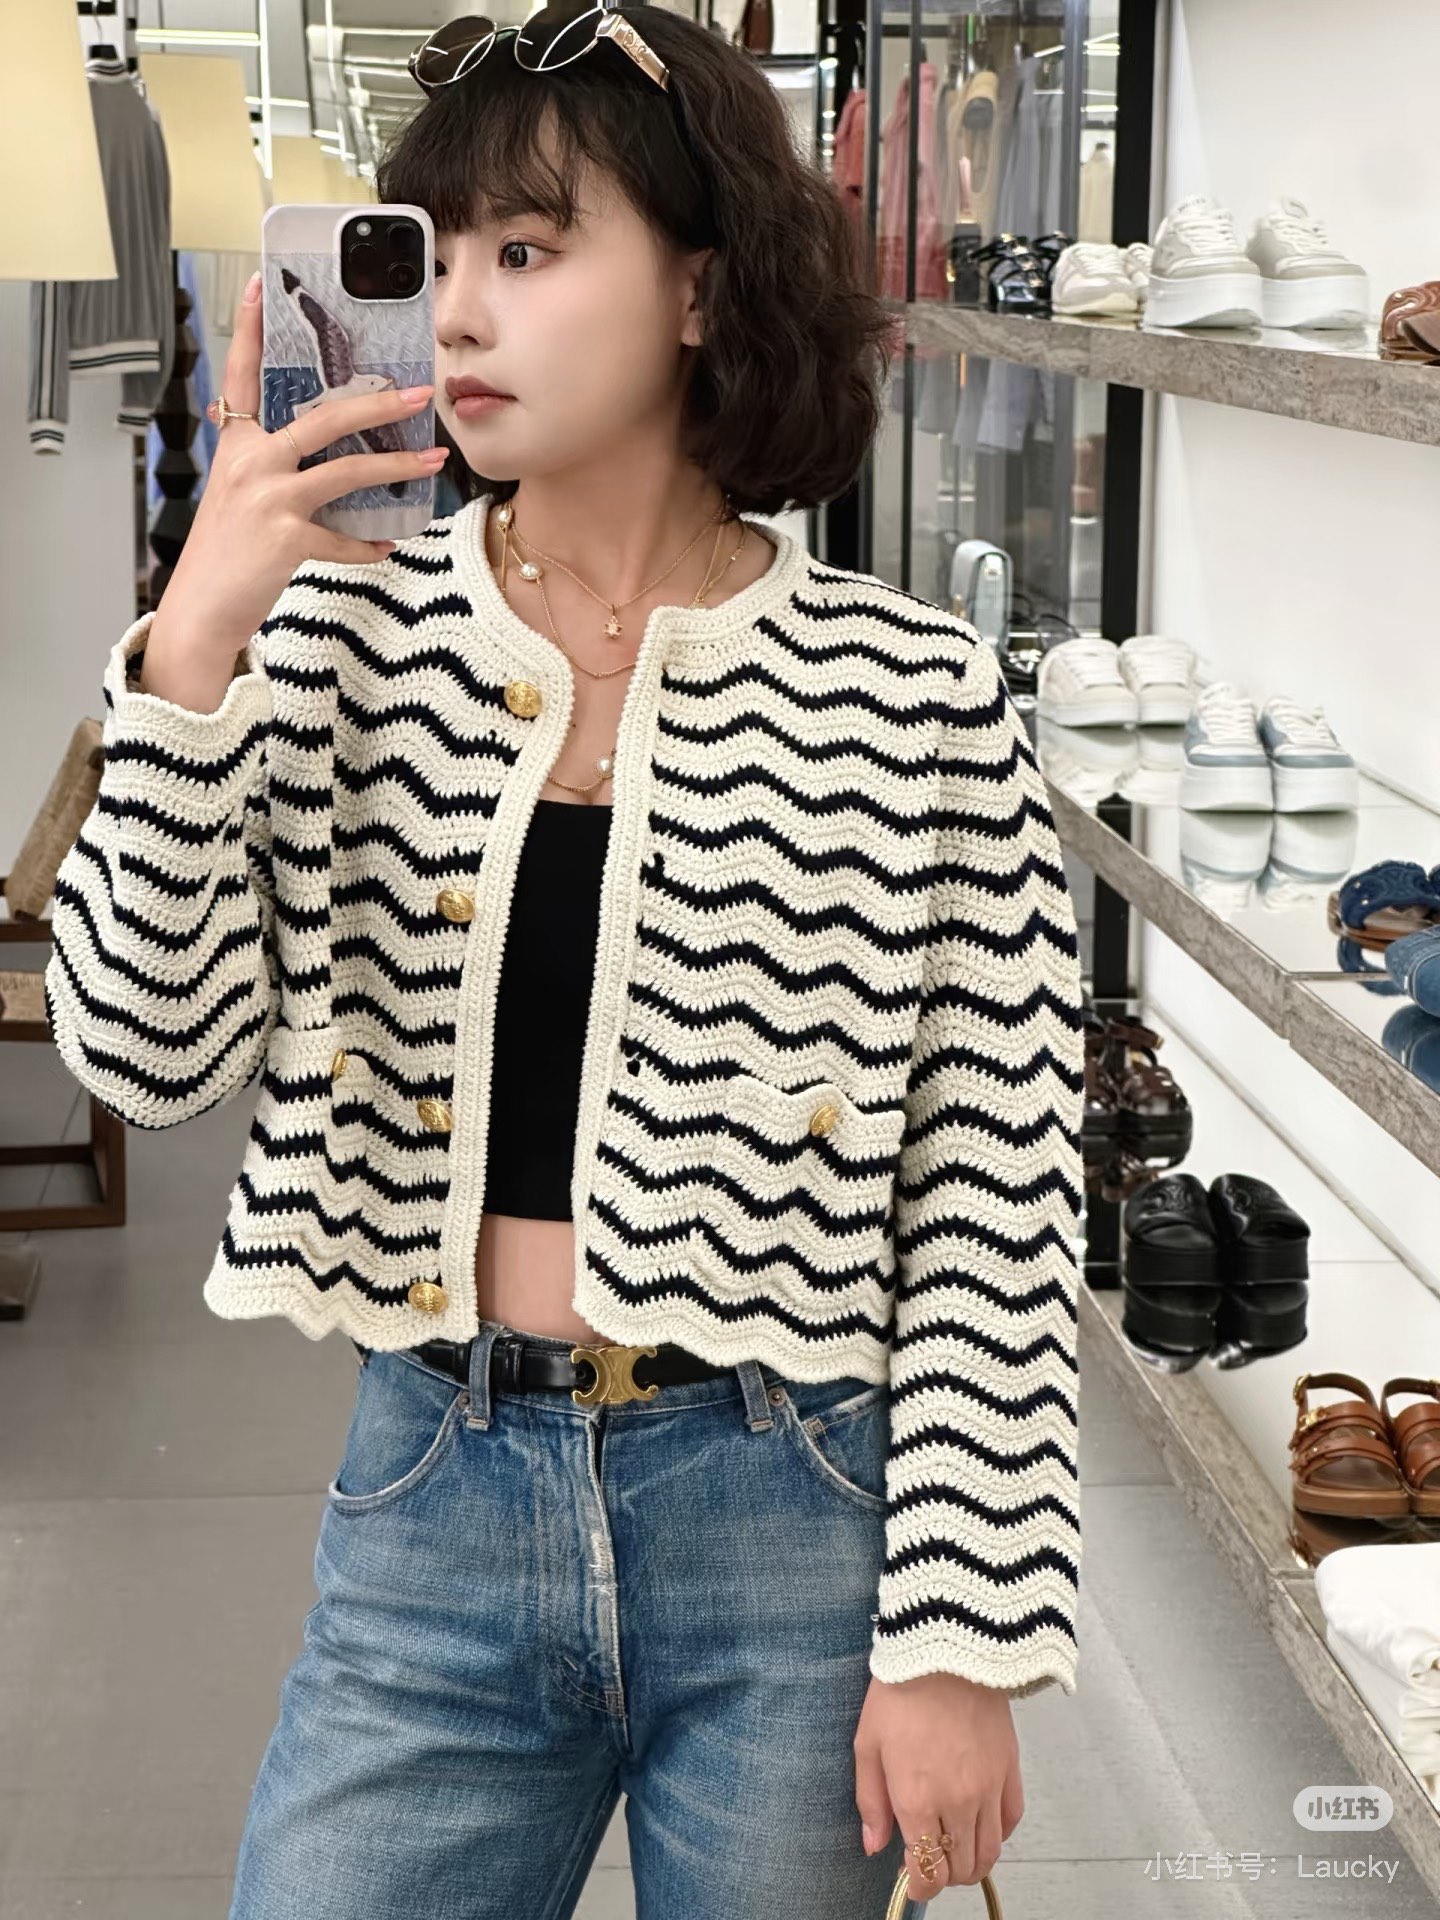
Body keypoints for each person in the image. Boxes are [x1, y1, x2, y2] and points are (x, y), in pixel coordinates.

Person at [43, 6, 1085, 1915]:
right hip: (432, 1500)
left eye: (525, 253)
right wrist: (189, 656)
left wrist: (967, 1637)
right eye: (430, 258)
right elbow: (145, 1059)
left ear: (699, 289)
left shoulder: (912, 692)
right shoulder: (336, 641)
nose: (456, 315)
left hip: (796, 1523)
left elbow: (993, 1191)